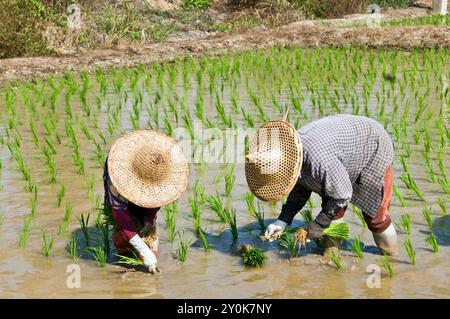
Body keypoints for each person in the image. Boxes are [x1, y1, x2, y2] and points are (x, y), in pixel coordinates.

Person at [246, 114, 397, 256]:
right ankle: (331, 258)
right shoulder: (290, 152)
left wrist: (315, 227)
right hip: (341, 152)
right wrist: (283, 221)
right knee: (333, 208)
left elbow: (342, 195)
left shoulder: (319, 161)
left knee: (375, 216)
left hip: (372, 145)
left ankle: (390, 257)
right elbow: (301, 186)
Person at [103, 129, 189, 273]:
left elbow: (154, 204)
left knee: (149, 237)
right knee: (121, 241)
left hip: (151, 172)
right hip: (124, 172)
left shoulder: (162, 170)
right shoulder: (117, 174)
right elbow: (120, 214)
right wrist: (143, 250)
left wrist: (149, 223)